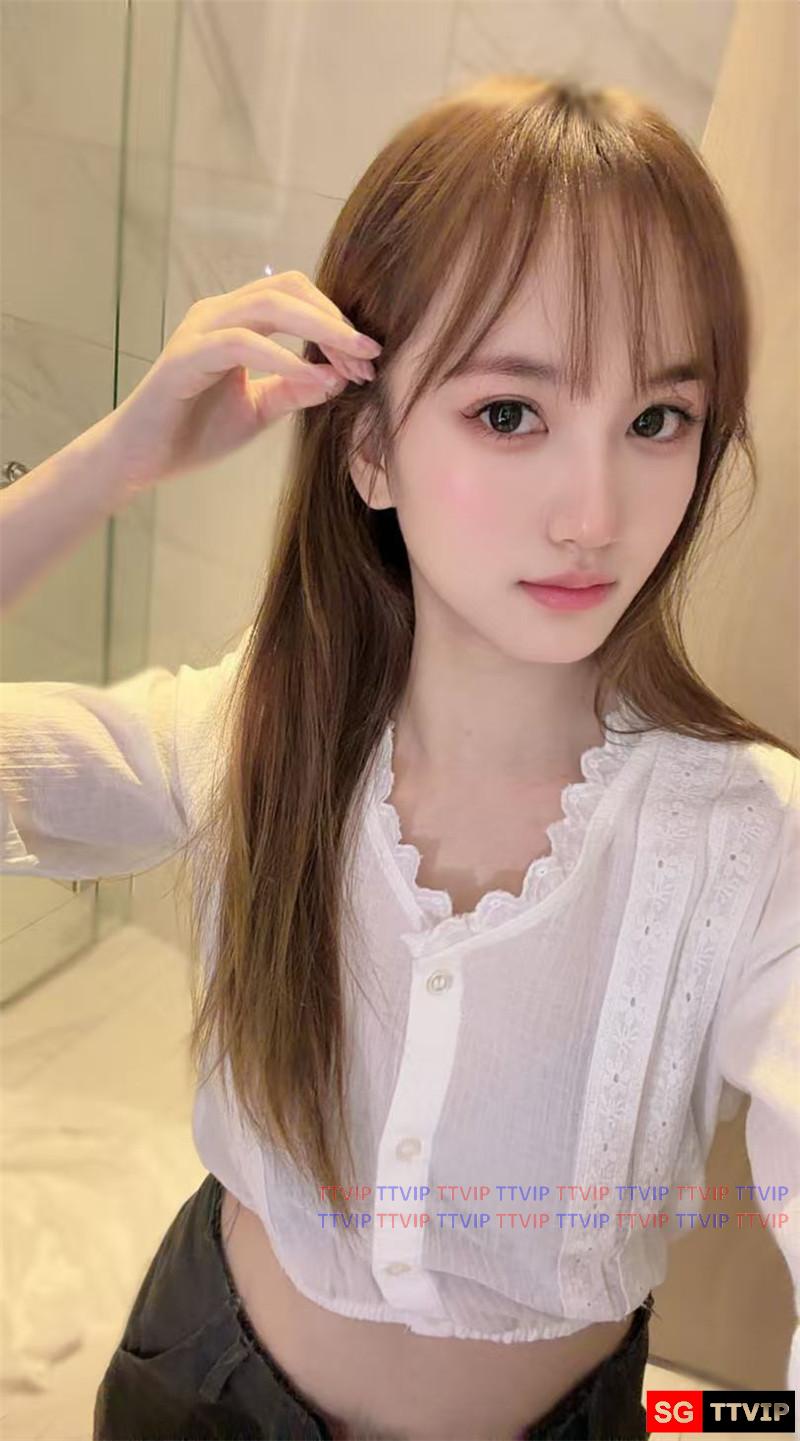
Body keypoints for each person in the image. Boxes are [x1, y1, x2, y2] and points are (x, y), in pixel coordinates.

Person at [1, 71, 798, 1441]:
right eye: (511, 413)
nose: (596, 513)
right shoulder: (251, 733)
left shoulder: (746, 844)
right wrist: (115, 462)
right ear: (367, 446)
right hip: (200, 1389)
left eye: (656, 420)